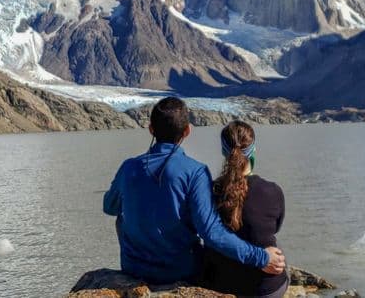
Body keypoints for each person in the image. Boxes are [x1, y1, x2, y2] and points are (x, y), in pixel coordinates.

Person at [103, 97, 285, 285]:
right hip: (180, 271)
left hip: (134, 269)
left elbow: (109, 207)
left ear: (151, 129)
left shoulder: (128, 167)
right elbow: (211, 232)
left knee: (121, 217)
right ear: (187, 131)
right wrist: (261, 257)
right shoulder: (195, 171)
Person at [202, 121, 289, 297]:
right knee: (277, 246)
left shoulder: (209, 191)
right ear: (254, 150)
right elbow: (275, 227)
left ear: (223, 152)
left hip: (220, 284)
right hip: (266, 288)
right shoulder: (273, 190)